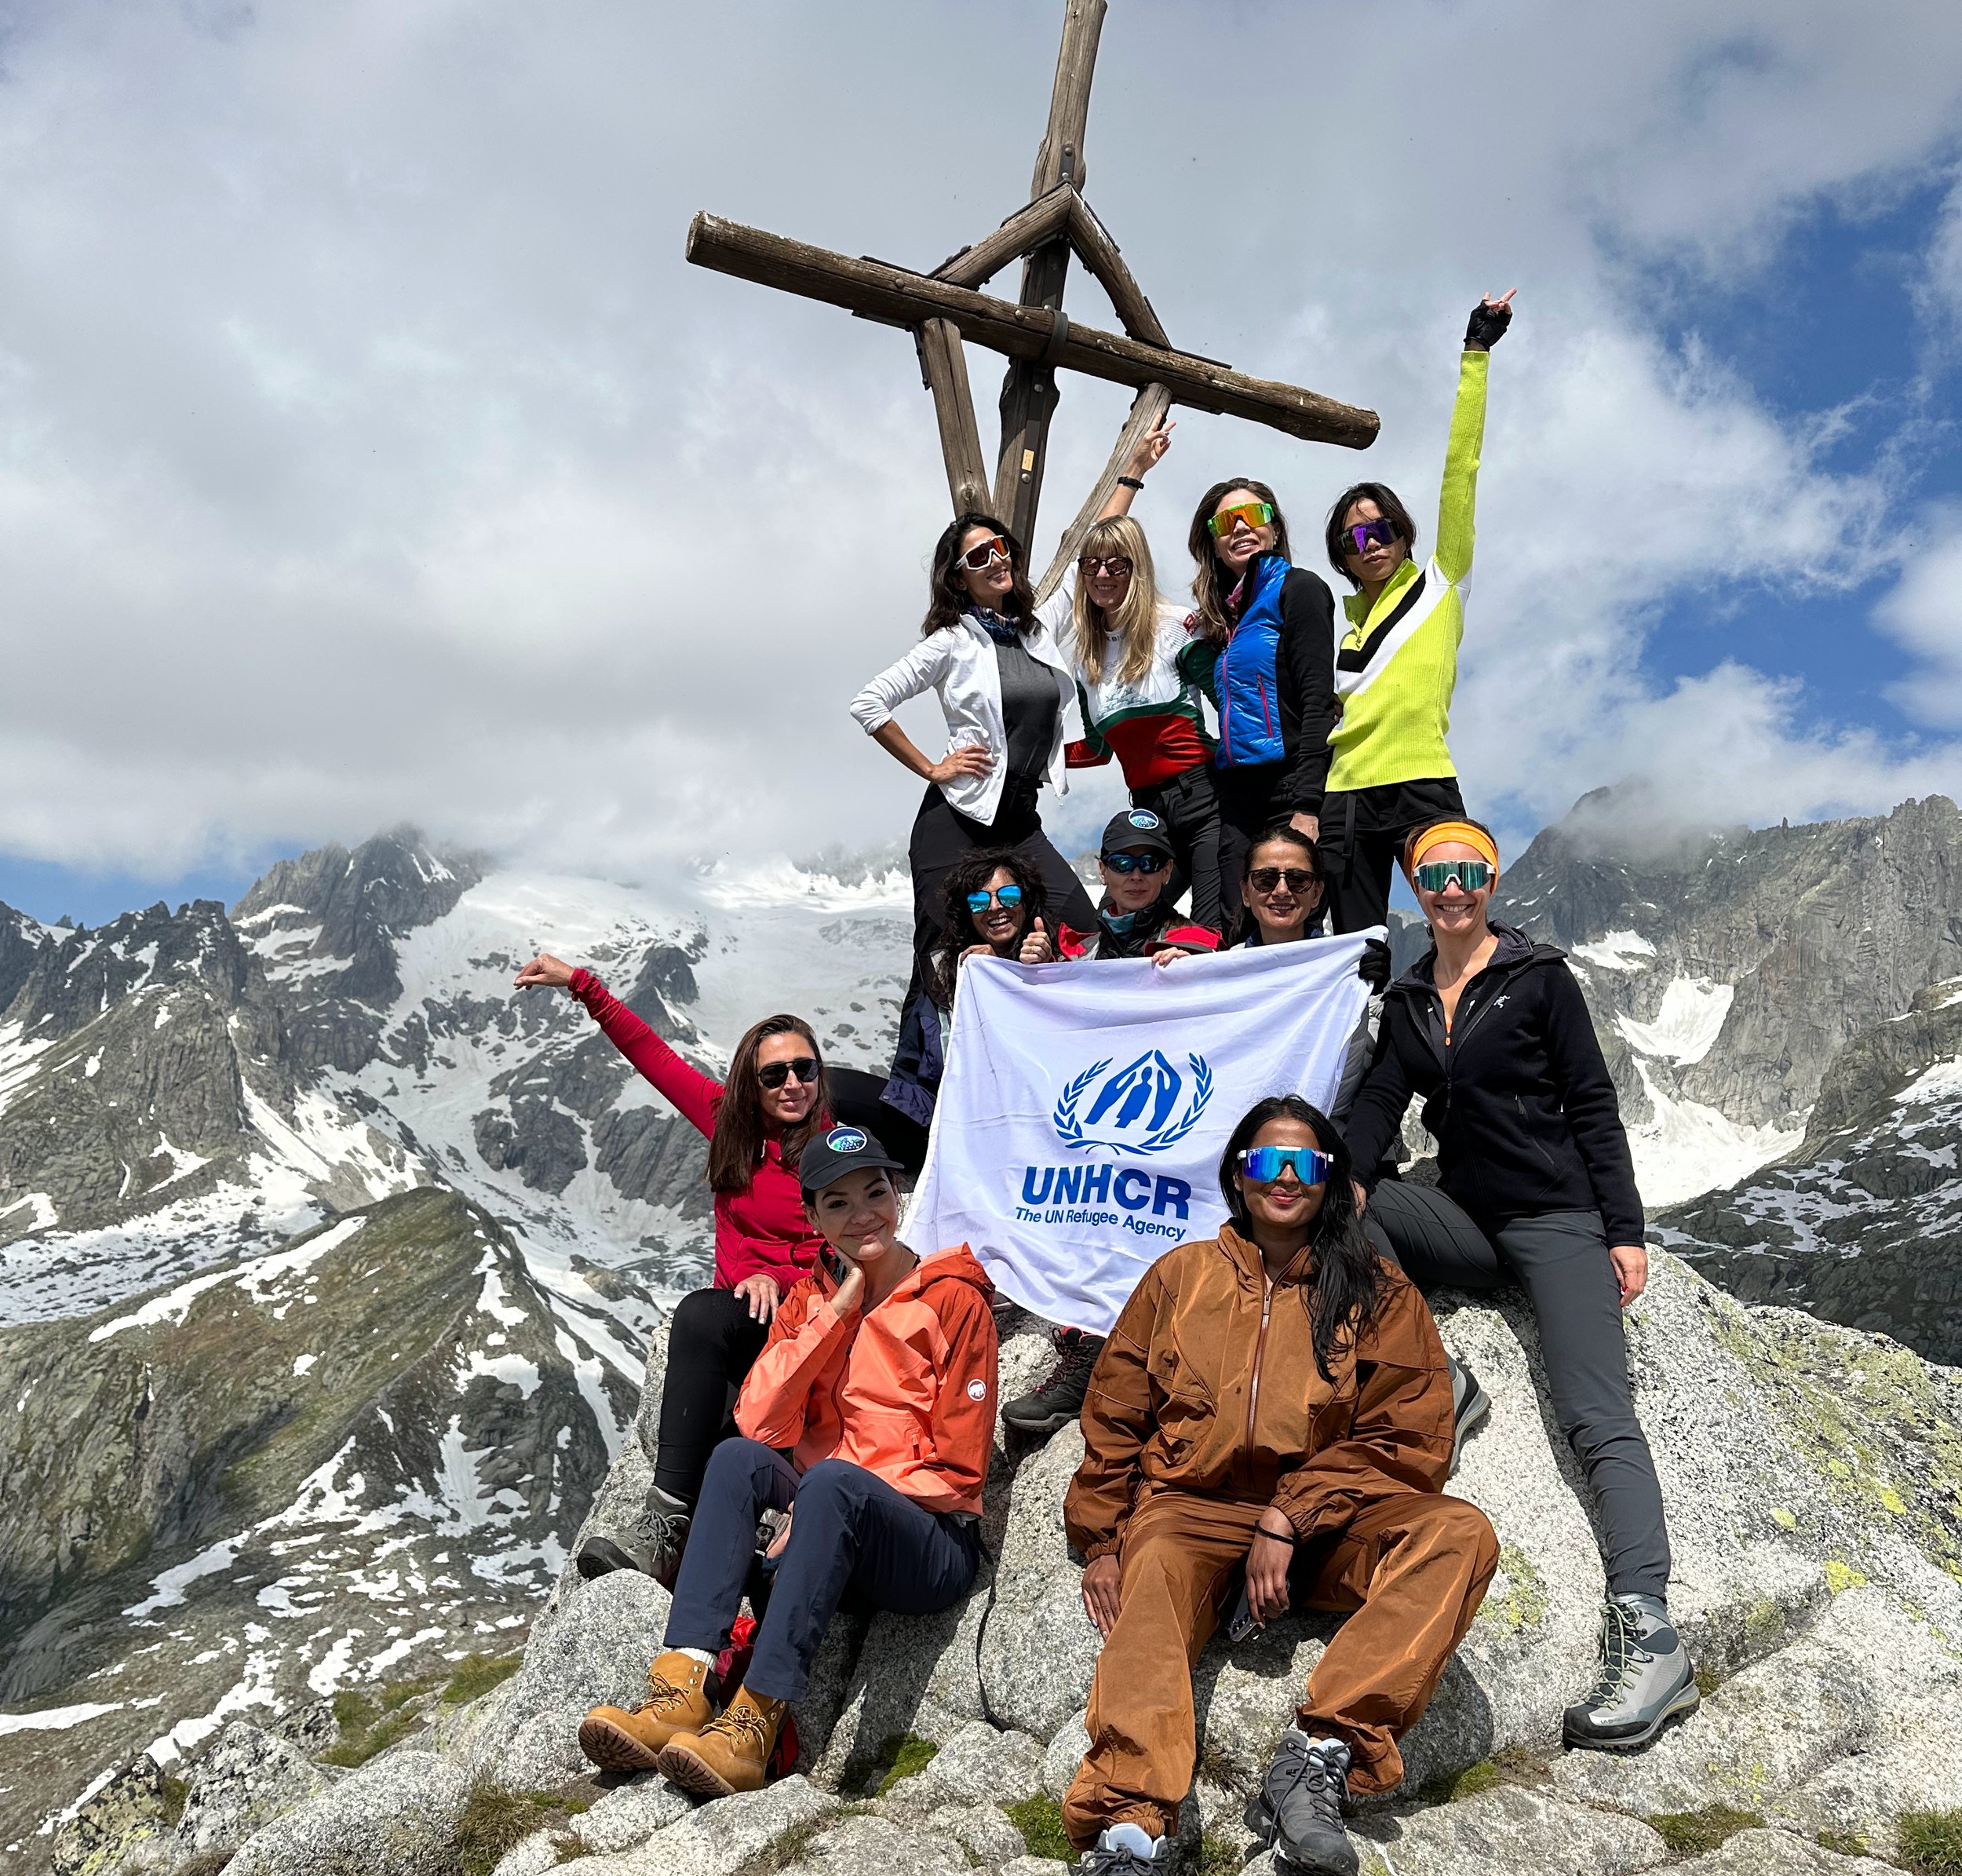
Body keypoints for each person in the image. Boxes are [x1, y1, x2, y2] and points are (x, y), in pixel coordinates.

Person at [1061, 1097, 1497, 1875]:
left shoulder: (1378, 1291)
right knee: (1150, 1551)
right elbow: (1118, 1411)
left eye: (1306, 1163)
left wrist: (1289, 1513)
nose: (1285, 1177)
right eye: (1268, 1161)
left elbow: (1411, 1439)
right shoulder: (1178, 1278)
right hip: (1192, 1511)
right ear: (1239, 1175)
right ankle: (1130, 1824)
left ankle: (1316, 1755)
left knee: (1458, 1532)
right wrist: (1100, 1539)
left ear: (1330, 1179)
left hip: (1324, 1530)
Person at [1340, 817, 1698, 1752]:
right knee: (1352, 1213)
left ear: (1491, 882)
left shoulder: (1539, 979)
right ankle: (1437, 1375)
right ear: (1416, 887)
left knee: (1595, 1415)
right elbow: (1382, 1096)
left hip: (1556, 1219)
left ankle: (1650, 1631)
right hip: (1465, 1217)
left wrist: (1623, 1231)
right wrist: (1345, 1168)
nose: (1450, 888)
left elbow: (1590, 1101)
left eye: (1467, 872)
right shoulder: (1413, 995)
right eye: (1432, 874)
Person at [576, 1125, 997, 1797]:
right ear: (812, 1218)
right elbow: (760, 1418)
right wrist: (837, 1312)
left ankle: (753, 1723)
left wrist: (828, 1497)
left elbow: (959, 1471)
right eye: (837, 1203)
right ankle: (682, 1685)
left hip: (928, 1546)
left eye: (876, 1191)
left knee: (831, 1481)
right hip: (828, 1528)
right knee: (739, 1459)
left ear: (900, 1193)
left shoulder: (953, 1300)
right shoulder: (809, 1297)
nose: (863, 1214)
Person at [513, 952, 826, 1589]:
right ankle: (667, 1528)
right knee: (704, 1331)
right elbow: (650, 1055)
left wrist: (782, 1281)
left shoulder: (838, 1146)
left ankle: (701, 1538)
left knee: (708, 1345)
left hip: (812, 1318)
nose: (793, 1083)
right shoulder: (723, 1122)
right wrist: (582, 986)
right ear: (751, 1084)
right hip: (748, 1317)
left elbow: (851, 1246)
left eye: (805, 1069)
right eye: (775, 1075)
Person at [1316, 291, 1515, 936]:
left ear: (1403, 535)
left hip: (1421, 782)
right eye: (1353, 539)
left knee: (1461, 923)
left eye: (1380, 532)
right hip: (1344, 795)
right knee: (1354, 950)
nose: (1368, 545)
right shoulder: (1344, 630)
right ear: (1342, 557)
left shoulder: (1441, 580)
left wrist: (1476, 353)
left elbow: (1463, 469)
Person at [849, 513, 1098, 996]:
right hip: (955, 824)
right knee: (946, 963)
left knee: (1079, 927)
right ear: (958, 577)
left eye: (1000, 547)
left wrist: (1134, 473)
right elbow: (869, 703)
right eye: (978, 557)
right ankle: (922, 1069)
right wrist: (932, 768)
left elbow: (1079, 566)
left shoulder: (1037, 631)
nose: (995, 560)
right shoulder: (951, 643)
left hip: (1019, 822)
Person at [1059, 513, 1227, 936]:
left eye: (1117, 564)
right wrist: (1035, 761)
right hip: (1148, 813)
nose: (1103, 574)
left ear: (1137, 567)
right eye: (1091, 565)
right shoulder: (1085, 660)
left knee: (1207, 933)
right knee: (1113, 931)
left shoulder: (1176, 628)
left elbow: (1229, 706)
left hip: (1205, 800)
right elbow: (1098, 749)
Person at [1184, 477, 1340, 923]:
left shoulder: (1300, 588)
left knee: (1292, 919)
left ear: (1273, 530)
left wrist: (1308, 805)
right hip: (1236, 796)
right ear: (1213, 544)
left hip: (1290, 786)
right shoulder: (1224, 620)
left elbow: (1317, 701)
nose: (1240, 527)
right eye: (1225, 522)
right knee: (1234, 921)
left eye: (1253, 516)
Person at [848, 849, 1056, 1175]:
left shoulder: (1060, 965)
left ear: (1026, 901)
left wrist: (1034, 975)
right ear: (967, 913)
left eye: (1009, 895)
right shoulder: (943, 976)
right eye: (978, 901)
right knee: (828, 1086)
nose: (995, 907)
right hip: (943, 1121)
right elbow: (909, 1064)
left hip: (1027, 1127)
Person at [1054, 808, 1222, 964]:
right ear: (1102, 871)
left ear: (1167, 871)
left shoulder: (1199, 945)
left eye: (1150, 863)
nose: (1136, 876)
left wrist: (1200, 970)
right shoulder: (1073, 954)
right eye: (1122, 863)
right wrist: (1039, 969)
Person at [1227, 822, 1329, 948]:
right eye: (1266, 879)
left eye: (1297, 879)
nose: (1282, 890)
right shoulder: (1230, 964)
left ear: (1316, 894)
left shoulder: (1345, 963)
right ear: (1246, 893)